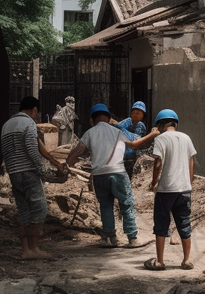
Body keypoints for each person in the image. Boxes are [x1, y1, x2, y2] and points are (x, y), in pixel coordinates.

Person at [66, 103, 158, 248]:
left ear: (93, 119)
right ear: (108, 118)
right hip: (118, 173)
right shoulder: (117, 132)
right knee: (126, 205)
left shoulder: (89, 133)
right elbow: (134, 145)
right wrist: (152, 135)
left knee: (106, 205)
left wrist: (66, 166)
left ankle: (109, 238)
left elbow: (76, 153)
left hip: (99, 175)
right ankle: (132, 238)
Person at [1, 96, 65, 260]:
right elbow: (32, 148)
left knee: (24, 210)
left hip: (14, 173)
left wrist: (55, 163)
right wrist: (41, 170)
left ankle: (25, 250)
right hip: (29, 172)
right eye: (37, 113)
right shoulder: (29, 123)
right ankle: (34, 248)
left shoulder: (7, 125)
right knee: (39, 209)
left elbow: (38, 146)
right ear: (34, 110)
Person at [144, 109, 196, 272]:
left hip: (166, 190)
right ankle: (186, 260)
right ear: (175, 123)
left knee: (161, 225)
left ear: (160, 125)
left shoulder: (160, 139)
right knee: (184, 224)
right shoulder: (186, 138)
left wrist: (154, 183)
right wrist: (189, 181)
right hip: (184, 189)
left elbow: (158, 163)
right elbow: (191, 162)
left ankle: (159, 262)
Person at [111, 101, 148, 179]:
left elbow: (136, 139)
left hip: (133, 155)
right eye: (133, 112)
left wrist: (120, 128)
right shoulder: (128, 121)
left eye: (138, 113)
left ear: (143, 115)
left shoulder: (141, 126)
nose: (135, 115)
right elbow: (117, 127)